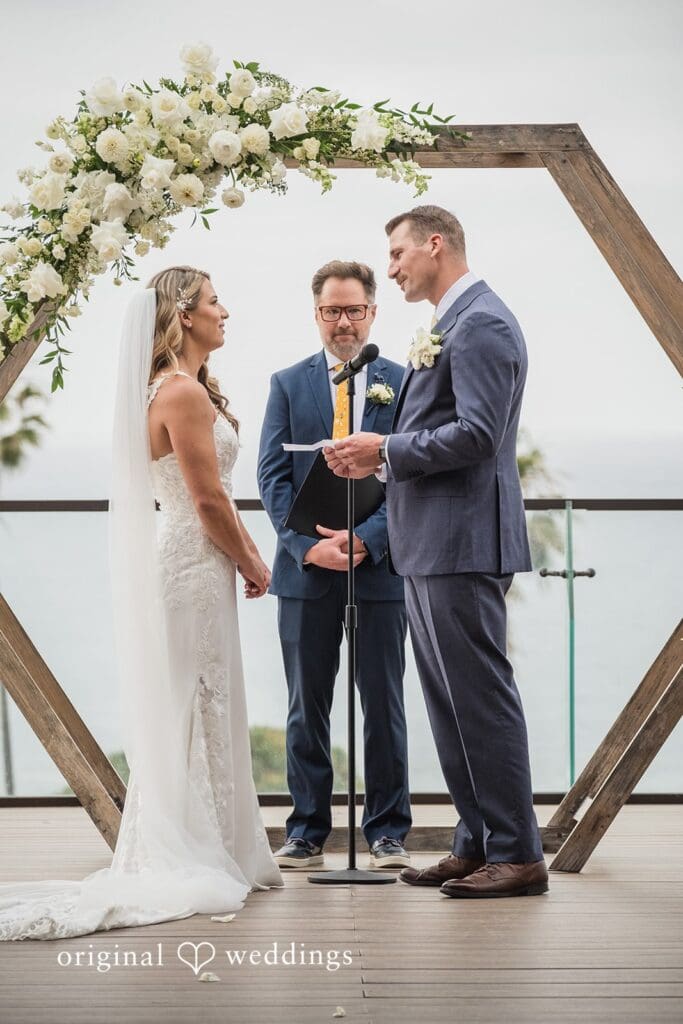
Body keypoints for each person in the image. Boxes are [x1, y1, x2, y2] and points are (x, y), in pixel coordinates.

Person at [0, 265, 281, 941]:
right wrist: (251, 559)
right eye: (216, 301)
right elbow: (208, 500)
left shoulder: (177, 387)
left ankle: (219, 840)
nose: (225, 311)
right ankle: (195, 846)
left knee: (201, 696)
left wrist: (240, 554)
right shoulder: (180, 393)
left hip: (194, 560)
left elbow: (213, 498)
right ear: (183, 315)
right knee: (193, 697)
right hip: (192, 562)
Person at [324, 208, 549, 898]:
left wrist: (384, 449)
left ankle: (517, 854)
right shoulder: (451, 323)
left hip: (462, 540)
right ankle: (475, 843)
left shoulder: (480, 321)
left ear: (434, 243)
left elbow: (479, 435)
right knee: (448, 703)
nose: (389, 268)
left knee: (479, 698)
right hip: (429, 542)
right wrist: (381, 462)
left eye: (395, 253)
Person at [257, 260, 411, 870]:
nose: (343, 322)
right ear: (316, 314)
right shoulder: (287, 383)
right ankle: (306, 828)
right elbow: (271, 477)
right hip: (306, 572)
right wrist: (305, 547)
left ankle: (388, 830)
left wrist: (369, 540)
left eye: (353, 310)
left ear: (373, 312)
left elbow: (411, 477)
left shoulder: (405, 381)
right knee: (306, 703)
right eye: (331, 311)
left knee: (384, 701)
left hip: (379, 569)